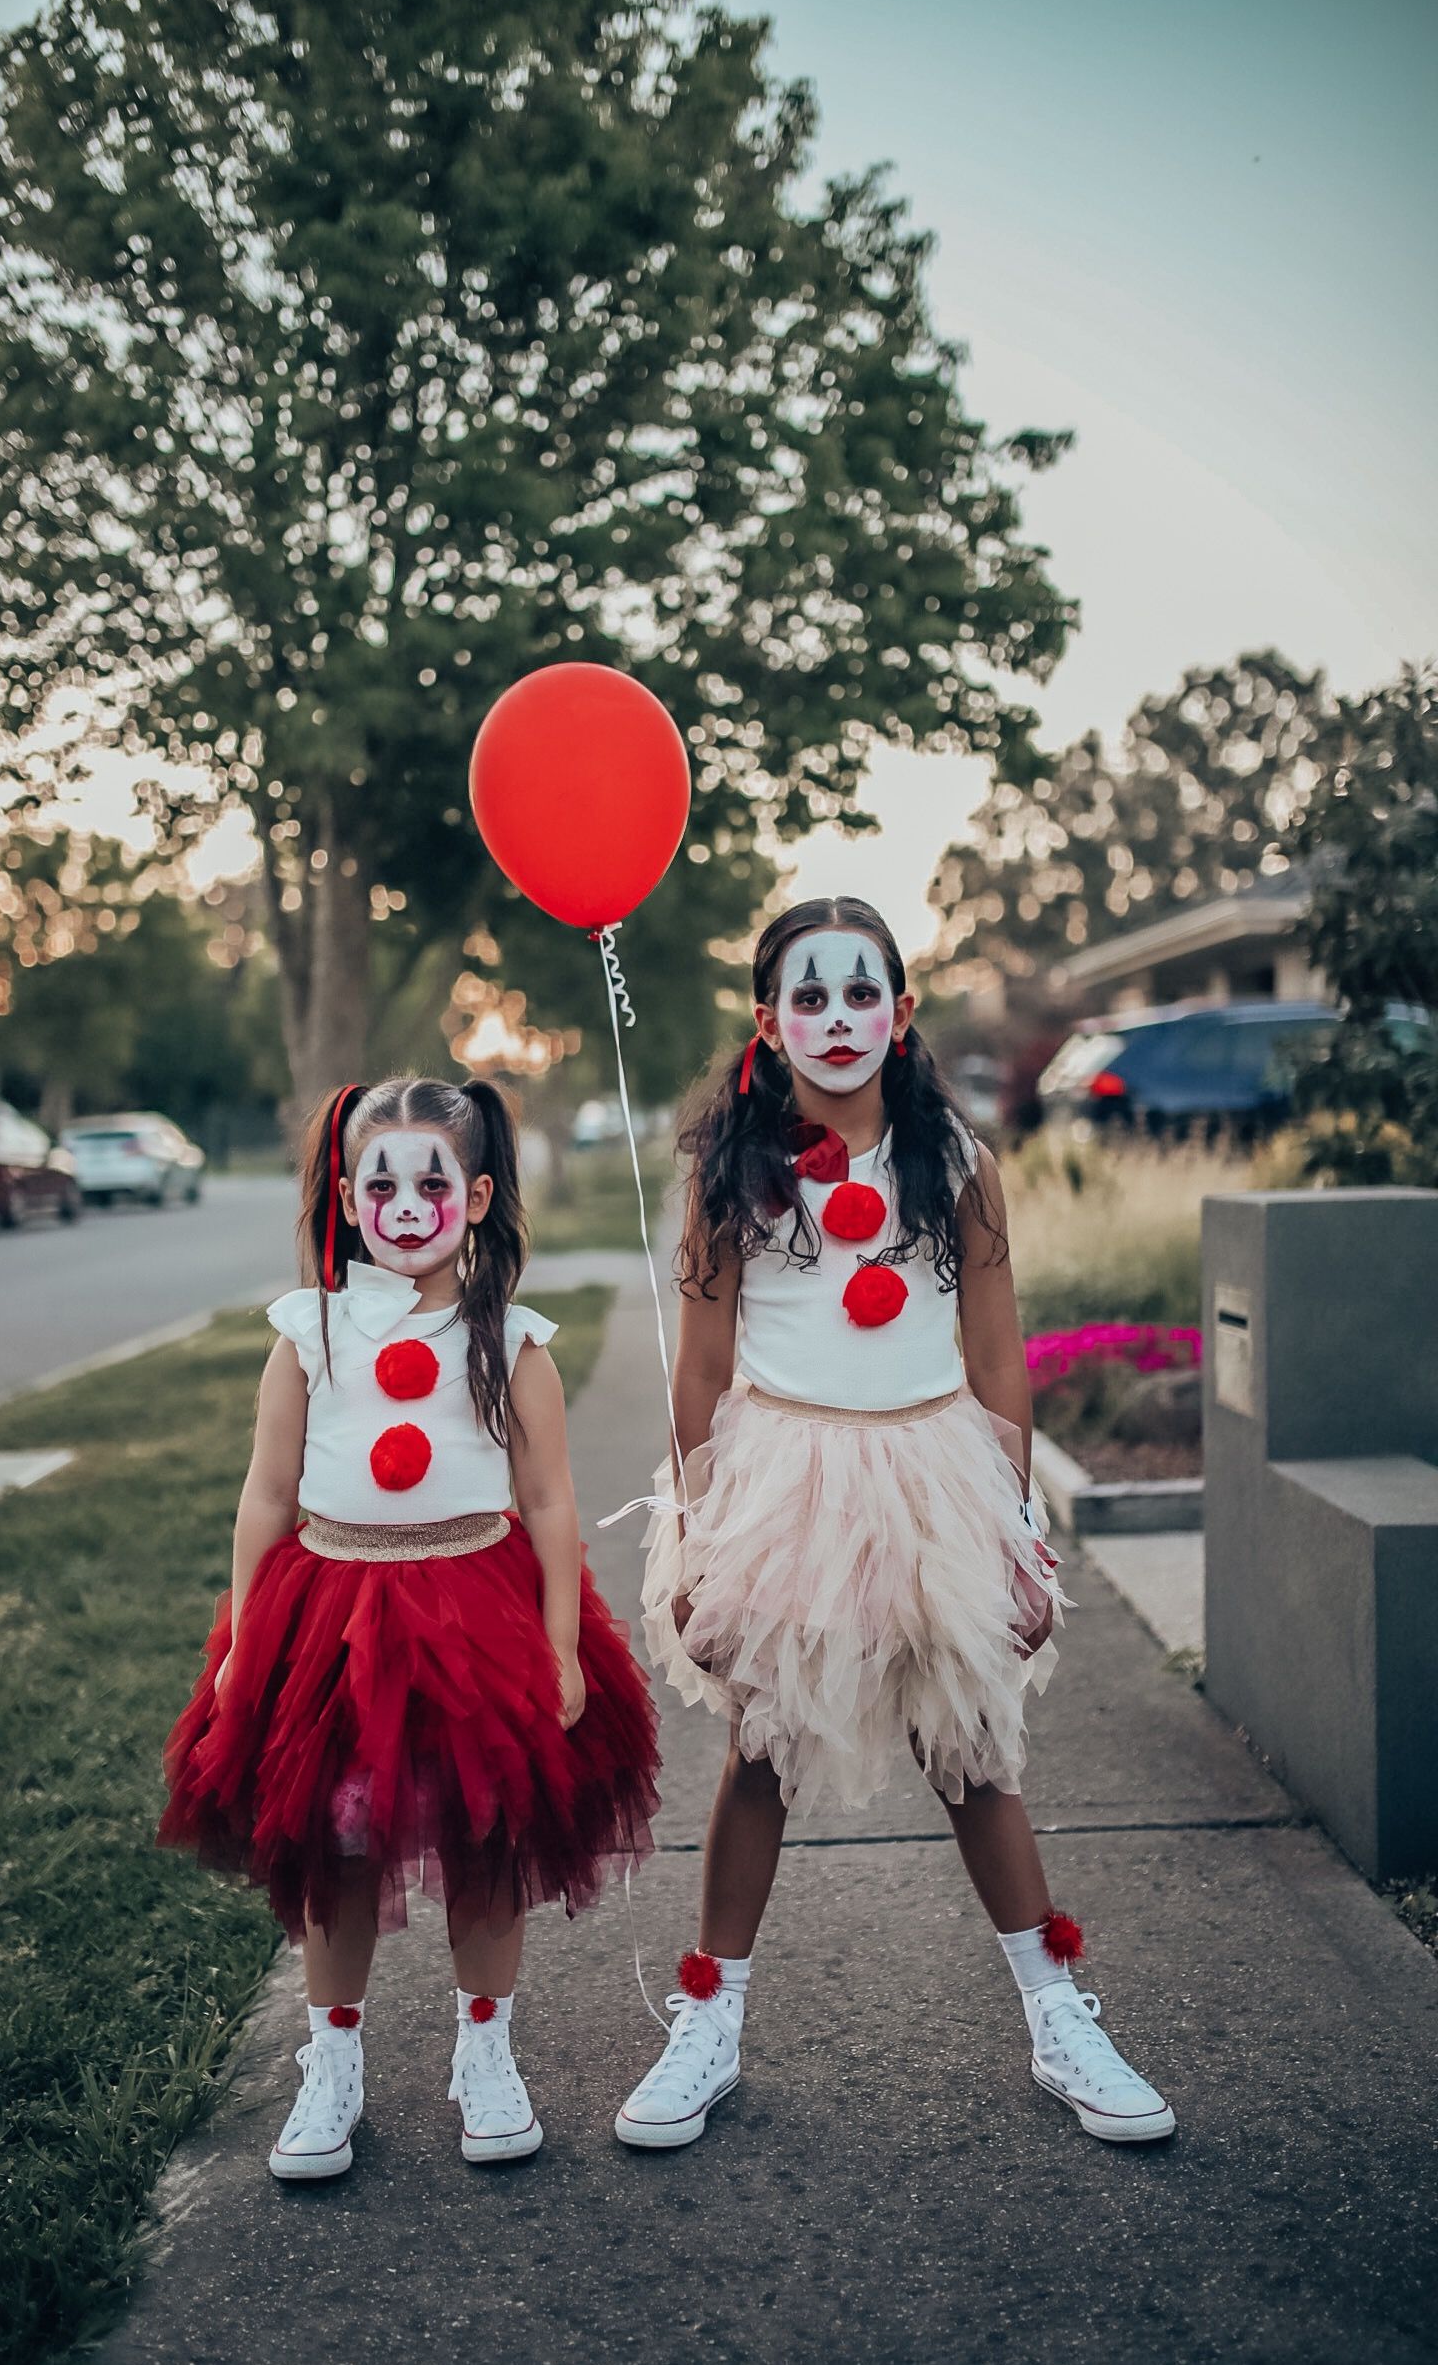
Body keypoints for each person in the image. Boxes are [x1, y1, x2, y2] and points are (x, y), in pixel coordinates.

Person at [618, 897, 1173, 2151]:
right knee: (759, 1751)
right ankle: (709, 2018)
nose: (835, 1019)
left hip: (931, 1473)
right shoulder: (731, 1176)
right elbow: (700, 1370)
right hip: (784, 1479)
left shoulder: (955, 1167)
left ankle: (1055, 2012)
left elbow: (997, 1356)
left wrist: (1016, 1525)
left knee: (971, 1747)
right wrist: (699, 1538)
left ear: (901, 1013)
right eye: (806, 998)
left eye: (859, 993)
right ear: (767, 1023)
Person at [160, 1076, 660, 2181]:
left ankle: (485, 2049)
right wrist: (246, 1633)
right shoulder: (307, 1333)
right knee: (337, 1838)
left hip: (475, 1611)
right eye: (378, 1182)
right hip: (333, 1613)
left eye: (431, 1179)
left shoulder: (512, 1343)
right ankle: (331, 2060)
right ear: (345, 1196)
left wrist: (563, 1643)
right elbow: (264, 1491)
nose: (403, 1201)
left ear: (476, 1197)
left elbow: (548, 1501)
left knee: (486, 1833)